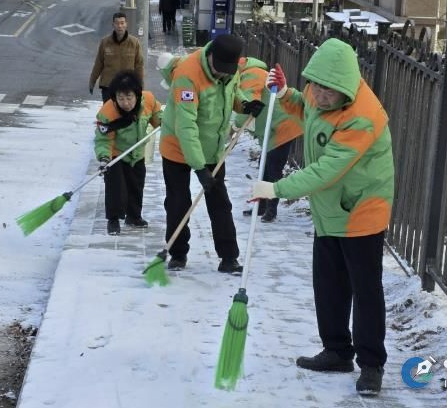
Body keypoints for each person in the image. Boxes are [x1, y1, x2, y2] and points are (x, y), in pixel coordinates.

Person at [251, 38, 394, 396]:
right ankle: (337, 351)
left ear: (345, 87)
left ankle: (371, 365)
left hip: (360, 210)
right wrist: (287, 93)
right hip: (330, 208)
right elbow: (307, 110)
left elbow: (326, 171)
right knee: (329, 283)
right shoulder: (320, 94)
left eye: (328, 91)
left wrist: (275, 188)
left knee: (365, 290)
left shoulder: (362, 117)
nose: (319, 95)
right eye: (315, 86)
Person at [159, 34, 265, 273]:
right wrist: (199, 168)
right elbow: (186, 126)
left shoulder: (229, 70)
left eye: (228, 70)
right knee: (178, 203)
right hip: (177, 147)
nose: (222, 74)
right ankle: (177, 253)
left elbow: (232, 93)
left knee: (220, 203)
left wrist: (245, 104)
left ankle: (229, 257)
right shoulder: (187, 75)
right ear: (210, 56)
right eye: (219, 69)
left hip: (212, 148)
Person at [234, 56, 303, 222]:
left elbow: (249, 103)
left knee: (273, 170)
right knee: (264, 167)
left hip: (281, 128)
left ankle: (271, 210)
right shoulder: (251, 72)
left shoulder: (251, 75)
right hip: (272, 129)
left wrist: (236, 126)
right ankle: (262, 206)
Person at [95, 71, 162, 235]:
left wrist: (163, 122)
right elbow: (103, 140)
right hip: (115, 154)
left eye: (129, 97)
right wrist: (104, 158)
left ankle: (133, 216)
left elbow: (157, 115)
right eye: (121, 98)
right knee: (116, 187)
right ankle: (113, 219)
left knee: (136, 185)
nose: (125, 103)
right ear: (115, 98)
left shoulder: (148, 100)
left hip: (137, 152)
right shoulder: (107, 112)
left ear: (137, 95)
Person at [89, 12, 144, 102]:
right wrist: (92, 81)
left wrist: (140, 85)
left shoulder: (134, 43)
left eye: (122, 23)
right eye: (117, 23)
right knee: (109, 110)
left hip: (127, 86)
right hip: (108, 86)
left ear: (126, 24)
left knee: (125, 110)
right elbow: (98, 64)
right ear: (113, 25)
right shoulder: (105, 42)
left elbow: (139, 66)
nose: (120, 26)